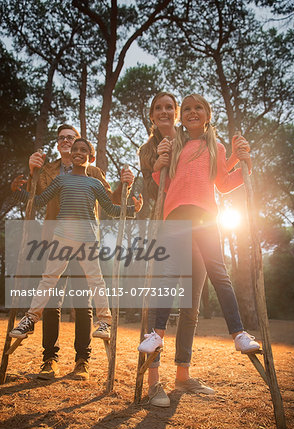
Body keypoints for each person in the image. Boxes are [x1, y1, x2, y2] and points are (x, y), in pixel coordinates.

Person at [138, 93, 260, 406]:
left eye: (198, 107)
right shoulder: (174, 143)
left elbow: (222, 180)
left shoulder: (214, 145)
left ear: (207, 114)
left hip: (207, 218)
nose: (192, 112)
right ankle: (156, 335)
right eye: (187, 108)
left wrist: (243, 162)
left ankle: (238, 333)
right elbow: (163, 183)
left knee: (218, 275)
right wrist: (158, 163)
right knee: (167, 276)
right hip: (176, 216)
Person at [10, 138, 142, 354]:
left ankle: (105, 322)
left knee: (95, 281)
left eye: (83, 150)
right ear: (70, 155)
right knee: (48, 279)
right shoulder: (61, 181)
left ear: (91, 158)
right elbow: (40, 200)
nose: (78, 152)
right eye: (75, 150)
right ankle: (30, 318)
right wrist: (16, 192)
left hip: (87, 240)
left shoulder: (95, 183)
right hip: (61, 238)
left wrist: (132, 210)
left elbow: (110, 208)